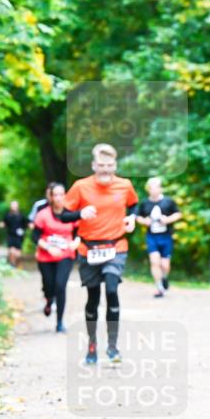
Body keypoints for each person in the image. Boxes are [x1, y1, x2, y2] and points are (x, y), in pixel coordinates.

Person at [63, 143, 138, 365]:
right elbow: (64, 215)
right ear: (94, 165)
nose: (105, 169)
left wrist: (131, 218)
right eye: (101, 165)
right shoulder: (80, 186)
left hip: (116, 246)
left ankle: (113, 347)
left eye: (110, 165)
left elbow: (134, 205)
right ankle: (92, 346)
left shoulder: (125, 185)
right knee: (93, 297)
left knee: (112, 288)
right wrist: (79, 213)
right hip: (89, 249)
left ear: (115, 165)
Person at [33, 183, 80, 333]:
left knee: (60, 286)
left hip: (65, 255)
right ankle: (48, 299)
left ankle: (59, 322)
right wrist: (49, 248)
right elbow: (35, 236)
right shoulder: (43, 214)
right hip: (46, 256)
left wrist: (76, 242)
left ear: (65, 195)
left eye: (61, 194)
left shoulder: (72, 214)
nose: (59, 197)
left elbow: (80, 232)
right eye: (56, 195)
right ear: (51, 197)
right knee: (49, 286)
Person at [136, 177, 181, 298]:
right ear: (148, 189)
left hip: (166, 237)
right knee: (154, 262)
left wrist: (167, 220)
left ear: (160, 188)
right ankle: (159, 288)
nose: (154, 190)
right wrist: (144, 221)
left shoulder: (168, 201)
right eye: (152, 188)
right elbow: (138, 216)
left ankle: (164, 278)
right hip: (152, 237)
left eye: (157, 187)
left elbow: (178, 214)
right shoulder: (145, 203)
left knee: (165, 265)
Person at [0, 201, 26, 267]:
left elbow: (26, 223)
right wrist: (2, 224)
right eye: (12, 205)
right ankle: (12, 265)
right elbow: (3, 222)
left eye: (15, 205)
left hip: (19, 236)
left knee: (18, 254)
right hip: (10, 235)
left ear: (17, 206)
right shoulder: (7, 215)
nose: (13, 206)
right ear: (10, 206)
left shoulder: (21, 215)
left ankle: (17, 263)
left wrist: (30, 225)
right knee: (11, 251)